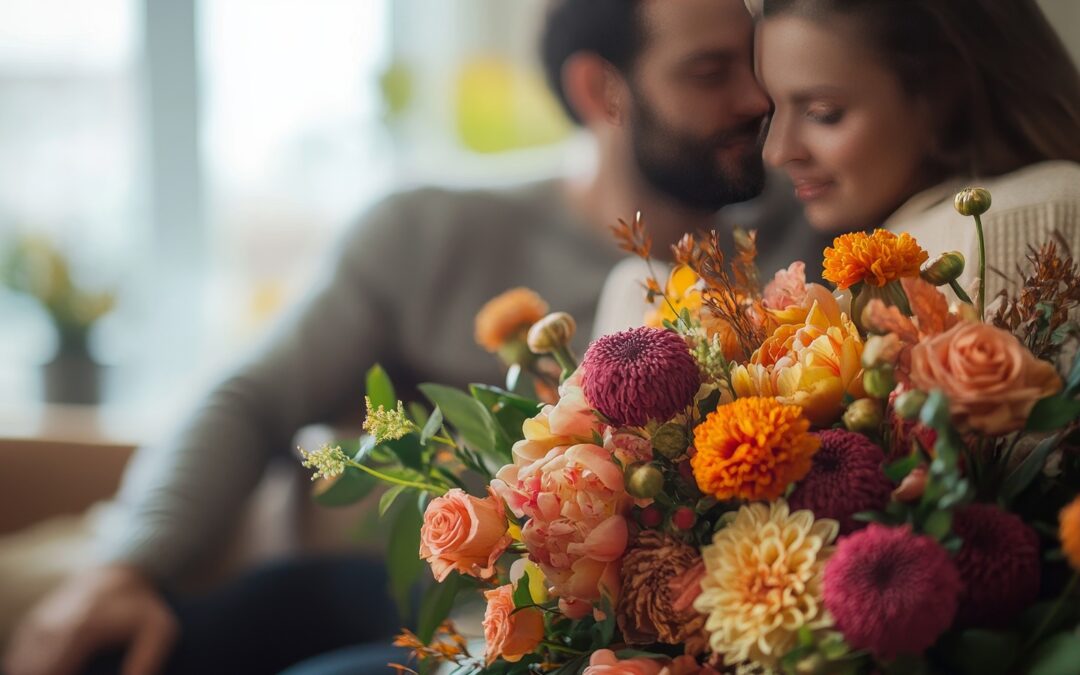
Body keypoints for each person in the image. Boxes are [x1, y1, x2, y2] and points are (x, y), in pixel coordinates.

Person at [3, 1, 819, 674]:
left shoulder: (807, 233)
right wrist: (123, 568)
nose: (758, 100)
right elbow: (249, 399)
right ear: (598, 90)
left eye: (754, 65)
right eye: (710, 72)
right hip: (396, 604)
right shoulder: (430, 232)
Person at [756, 0, 1080, 301]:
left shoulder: (1011, 223)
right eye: (770, 111)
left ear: (939, 94)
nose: (776, 151)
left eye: (823, 113)